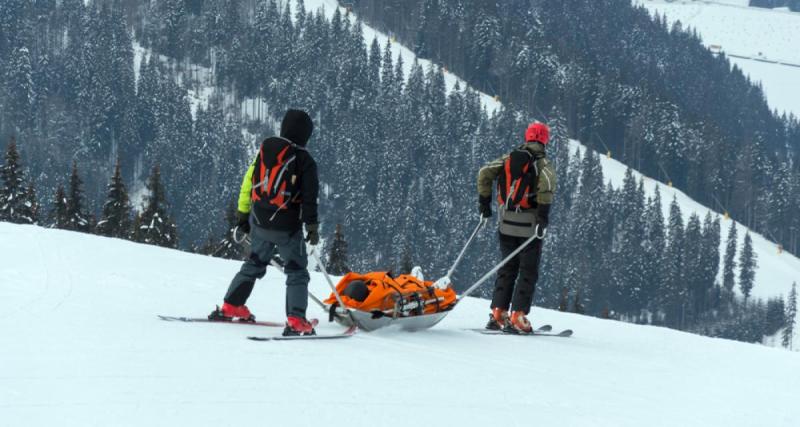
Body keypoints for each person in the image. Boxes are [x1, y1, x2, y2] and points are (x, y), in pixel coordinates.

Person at [209, 109, 320, 336]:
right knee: (297, 271)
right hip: (287, 228)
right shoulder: (305, 161)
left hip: (259, 222)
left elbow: (247, 184)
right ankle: (296, 320)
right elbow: (309, 197)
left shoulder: (265, 152)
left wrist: (242, 218)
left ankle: (231, 306)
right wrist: (312, 227)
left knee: (254, 264)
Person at [476, 122, 556, 334]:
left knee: (507, 267)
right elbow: (546, 189)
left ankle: (498, 313)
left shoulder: (508, 159)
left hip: (506, 223)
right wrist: (542, 220)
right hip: (530, 227)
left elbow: (484, 172)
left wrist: (485, 206)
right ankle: (518, 316)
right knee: (527, 271)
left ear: (527, 137)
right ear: (545, 140)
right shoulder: (543, 165)